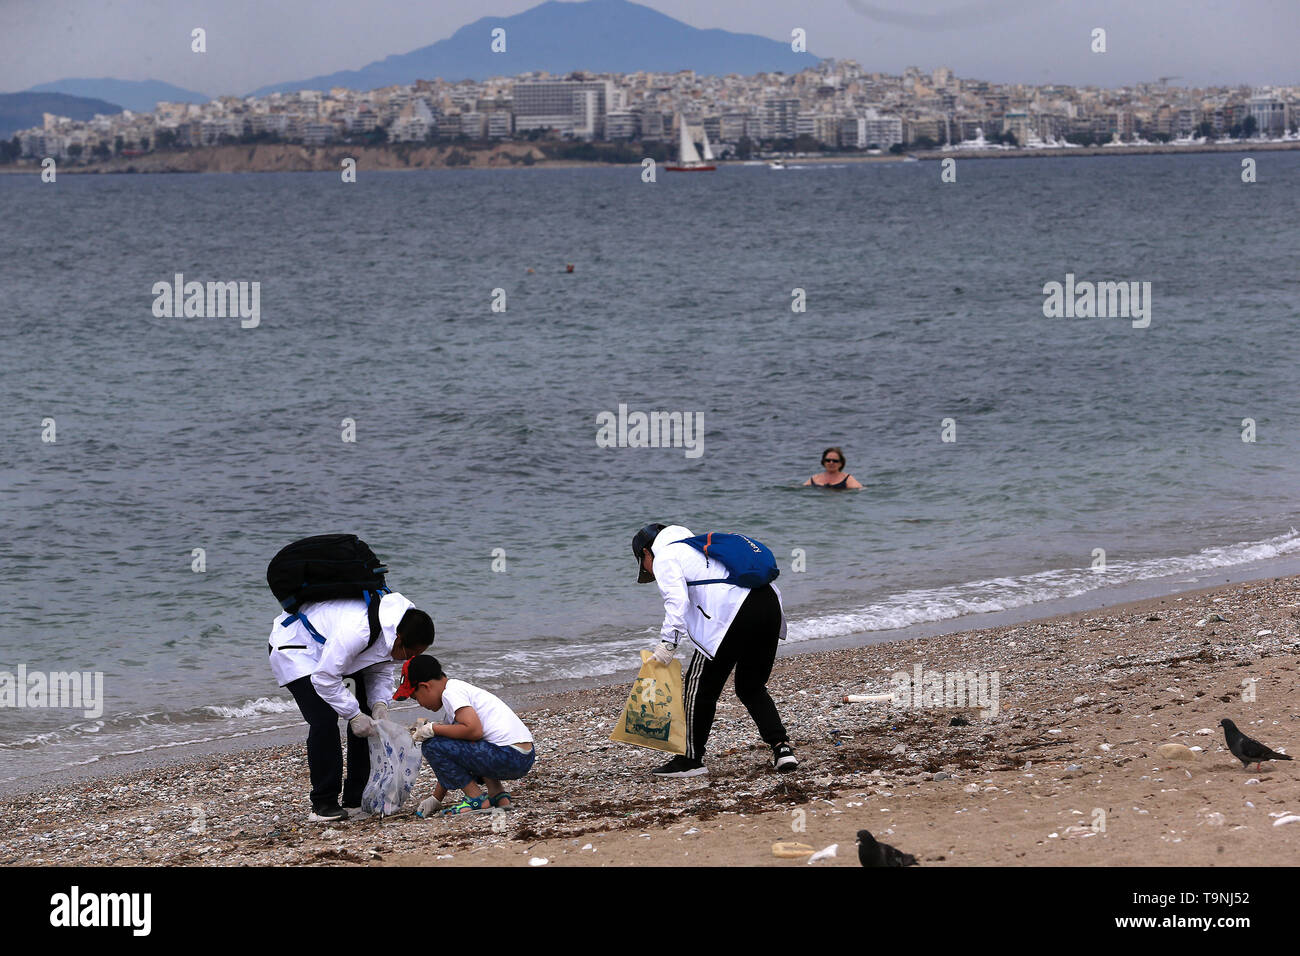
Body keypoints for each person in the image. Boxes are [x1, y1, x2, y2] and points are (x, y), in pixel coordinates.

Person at [632, 523, 798, 778]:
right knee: (751, 687)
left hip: (731, 615)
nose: (646, 569)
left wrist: (667, 645)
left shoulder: (666, 554)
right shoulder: (700, 548)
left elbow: (676, 601)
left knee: (699, 688)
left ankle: (690, 759)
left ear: (646, 551)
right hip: (768, 606)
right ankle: (782, 748)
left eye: (642, 562)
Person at [268, 594, 434, 822]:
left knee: (368, 714)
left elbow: (380, 668)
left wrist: (379, 704)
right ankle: (323, 803)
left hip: (332, 651)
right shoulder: (358, 632)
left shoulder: (394, 630)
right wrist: (354, 715)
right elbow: (324, 678)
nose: (411, 659)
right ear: (399, 640)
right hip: (297, 650)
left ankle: (356, 797)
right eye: (411, 654)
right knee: (323, 719)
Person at [404, 655, 536, 816]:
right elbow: (455, 755)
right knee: (458, 741)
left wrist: (433, 729)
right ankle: (498, 795)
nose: (420, 703)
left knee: (431, 745)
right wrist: (436, 799)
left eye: (415, 697)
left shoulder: (451, 693)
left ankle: (476, 799)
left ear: (425, 686)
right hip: (523, 756)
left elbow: (474, 730)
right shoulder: (458, 690)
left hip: (507, 756)